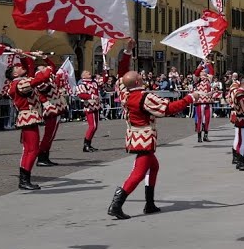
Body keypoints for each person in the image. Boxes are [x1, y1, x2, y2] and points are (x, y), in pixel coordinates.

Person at [107, 71, 194, 219]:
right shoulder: (144, 97)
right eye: (139, 76)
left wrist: (128, 51)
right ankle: (117, 204)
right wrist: (189, 98)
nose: (142, 76)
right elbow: (168, 109)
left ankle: (150, 203)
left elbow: (123, 74)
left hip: (134, 135)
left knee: (154, 167)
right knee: (138, 173)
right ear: (136, 82)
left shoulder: (125, 94)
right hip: (144, 138)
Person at [6, 57, 55, 191]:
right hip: (29, 116)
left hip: (27, 116)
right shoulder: (20, 83)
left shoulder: (17, 82)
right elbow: (39, 79)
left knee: (28, 150)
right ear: (15, 74)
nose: (20, 67)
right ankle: (24, 180)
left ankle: (25, 179)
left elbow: (29, 70)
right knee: (32, 150)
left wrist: (25, 57)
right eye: (17, 68)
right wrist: (47, 69)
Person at [77, 70, 102, 152]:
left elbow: (103, 80)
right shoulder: (82, 84)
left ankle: (89, 144)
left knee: (95, 127)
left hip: (96, 106)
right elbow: (81, 94)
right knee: (92, 126)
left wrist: (106, 71)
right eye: (87, 72)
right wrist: (91, 96)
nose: (89, 73)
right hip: (89, 106)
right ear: (83, 76)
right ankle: (86, 145)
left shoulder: (94, 82)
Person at [191, 70, 216, 143]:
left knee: (207, 119)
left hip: (208, 102)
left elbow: (211, 72)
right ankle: (199, 136)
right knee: (199, 119)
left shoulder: (208, 80)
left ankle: (205, 135)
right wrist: (202, 64)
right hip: (200, 102)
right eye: (202, 71)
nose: (204, 72)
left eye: (204, 71)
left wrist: (207, 63)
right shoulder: (197, 80)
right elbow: (196, 73)